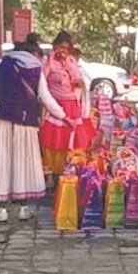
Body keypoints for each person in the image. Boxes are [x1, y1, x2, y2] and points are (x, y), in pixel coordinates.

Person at [0, 37, 64, 222]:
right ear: (33, 53)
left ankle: (1, 209)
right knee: (23, 161)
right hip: (26, 121)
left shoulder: (1, 63)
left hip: (1, 117)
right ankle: (23, 208)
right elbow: (45, 97)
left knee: (1, 159)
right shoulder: (36, 70)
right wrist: (63, 116)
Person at [39, 31, 95, 176]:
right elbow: (42, 83)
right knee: (55, 139)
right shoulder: (48, 61)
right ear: (55, 46)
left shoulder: (71, 61)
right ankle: (53, 170)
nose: (63, 51)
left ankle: (72, 168)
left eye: (66, 48)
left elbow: (79, 78)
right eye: (60, 47)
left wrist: (78, 82)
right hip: (55, 105)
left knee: (75, 138)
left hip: (72, 104)